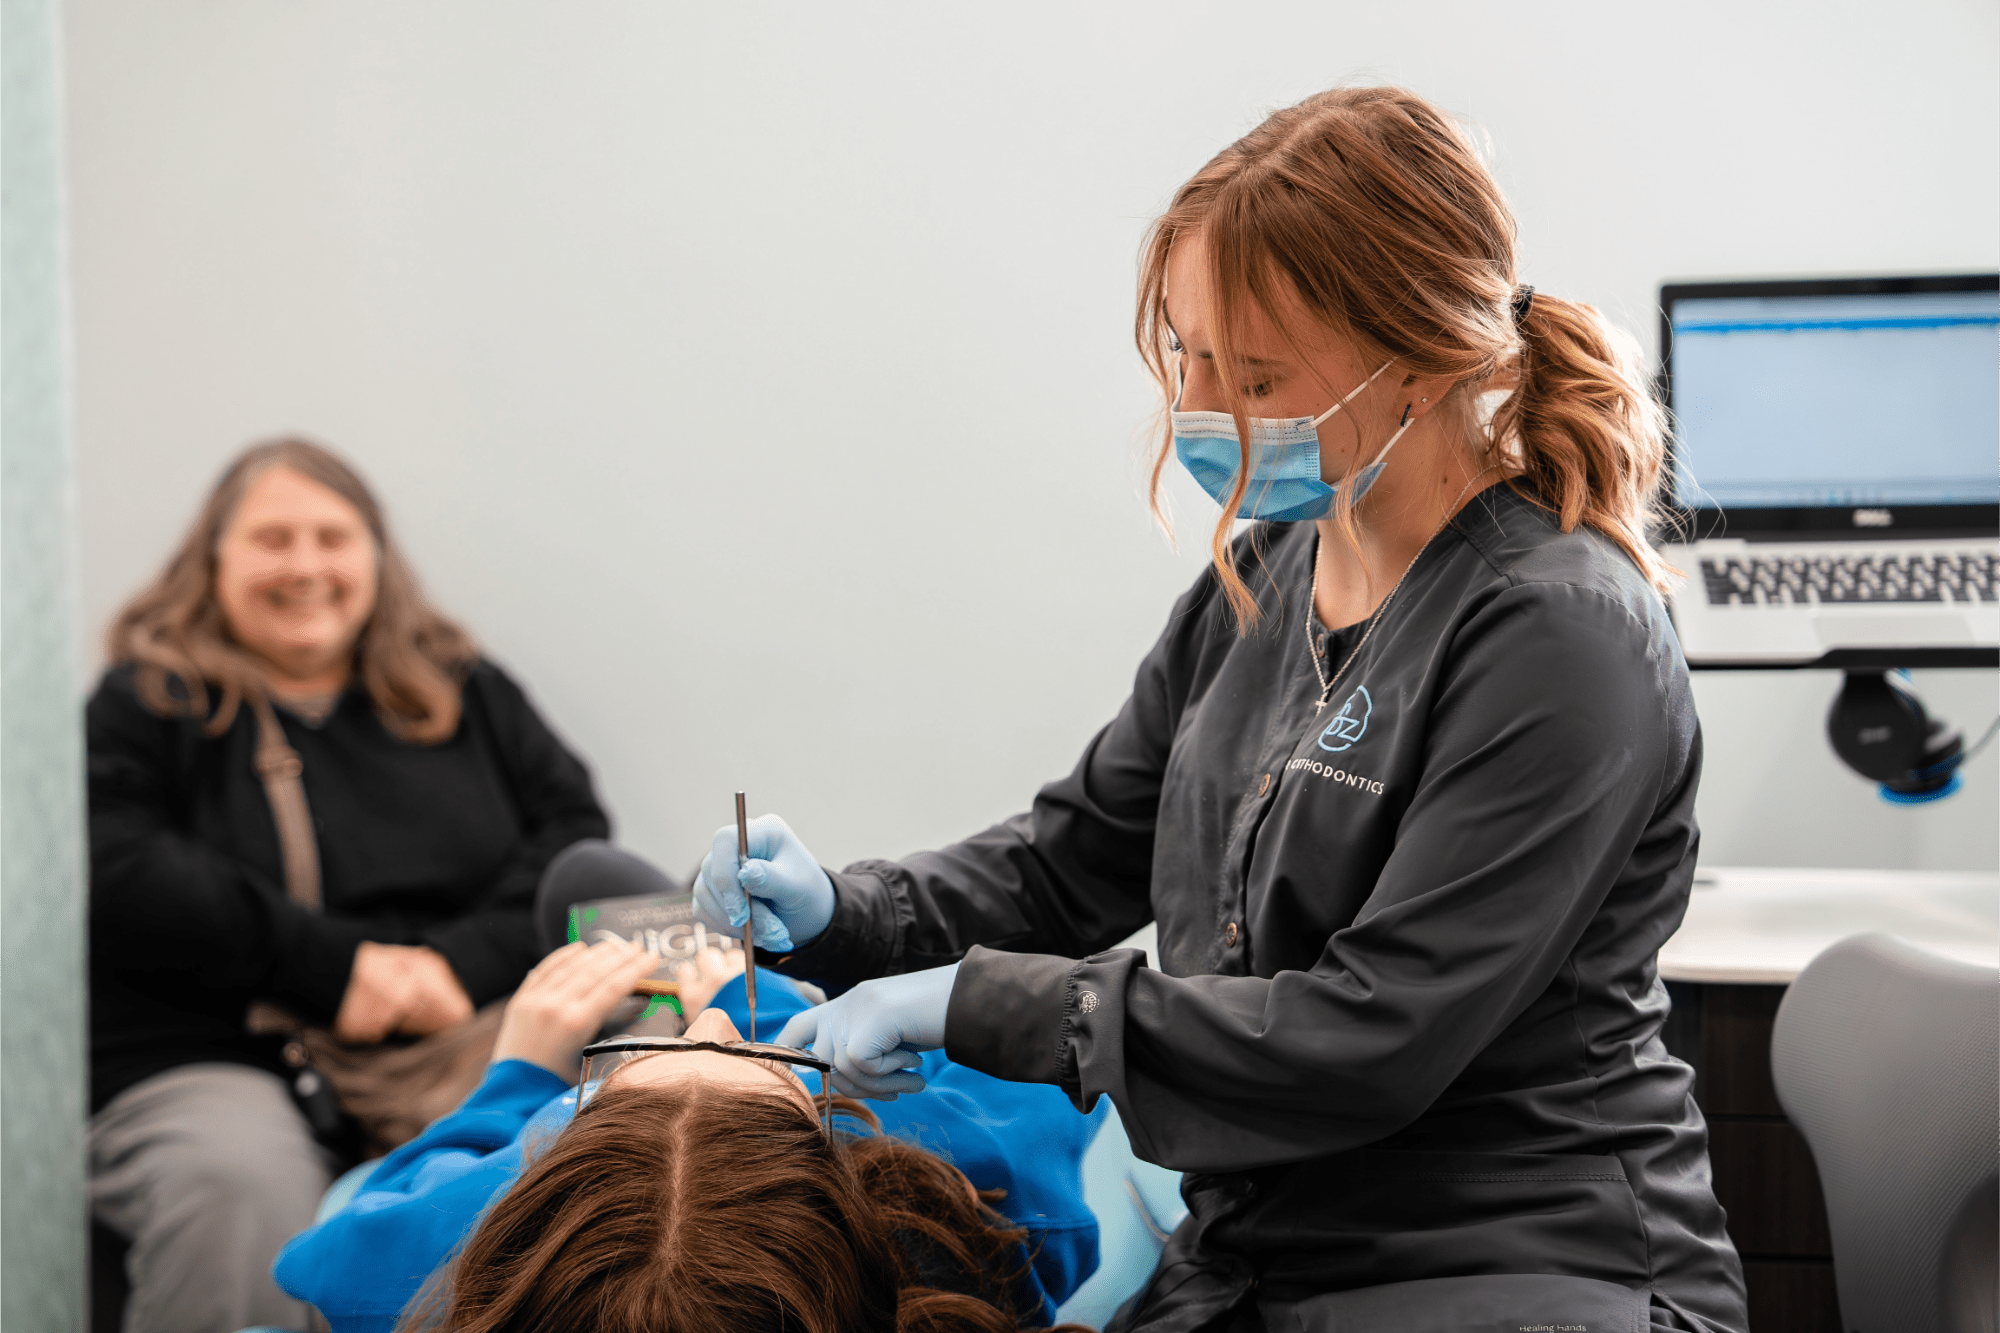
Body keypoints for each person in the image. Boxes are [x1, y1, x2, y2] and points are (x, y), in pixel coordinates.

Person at [691, 87, 1748, 1333]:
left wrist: (975, 1003)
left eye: (1250, 372)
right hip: (1264, 1264)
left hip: (1523, 1270)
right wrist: (846, 911)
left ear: (1422, 355)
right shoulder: (1262, 578)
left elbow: (1370, 1035)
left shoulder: (1559, 633)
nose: (1200, 408)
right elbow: (1072, 860)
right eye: (1186, 356)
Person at [87, 437, 611, 1333]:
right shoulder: (147, 702)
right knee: (236, 1189)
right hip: (220, 1054)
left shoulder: (468, 690)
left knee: (584, 1158)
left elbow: (574, 838)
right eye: (272, 539)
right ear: (213, 560)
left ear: (375, 555)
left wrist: (450, 966)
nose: (305, 566)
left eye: (333, 537)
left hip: (457, 1036)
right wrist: (341, 971)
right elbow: (121, 865)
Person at [272, 940, 1104, 1333]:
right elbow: (1059, 1047)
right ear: (845, 1166)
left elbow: (321, 1257)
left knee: (587, 887)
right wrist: (777, 1013)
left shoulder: (458, 1249)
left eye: (639, 1066)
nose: (705, 1018)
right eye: (752, 1059)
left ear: (548, 1172)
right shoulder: (964, 1205)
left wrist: (520, 1077)